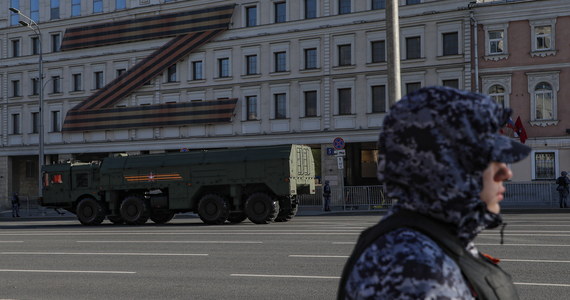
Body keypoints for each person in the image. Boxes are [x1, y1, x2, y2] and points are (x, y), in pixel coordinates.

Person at [338, 86, 531, 299]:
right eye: (490, 158)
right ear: (446, 167)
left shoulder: (433, 240)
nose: (506, 171)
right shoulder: (413, 265)